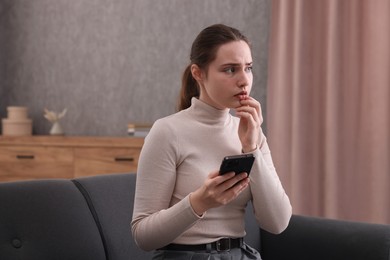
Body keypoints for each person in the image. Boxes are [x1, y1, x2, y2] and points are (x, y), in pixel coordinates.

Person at [131, 24, 292, 259]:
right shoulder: (167, 132)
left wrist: (252, 149)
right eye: (230, 70)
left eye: (248, 68)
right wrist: (200, 202)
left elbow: (277, 222)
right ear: (198, 73)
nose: (244, 80)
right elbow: (143, 236)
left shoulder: (251, 133)